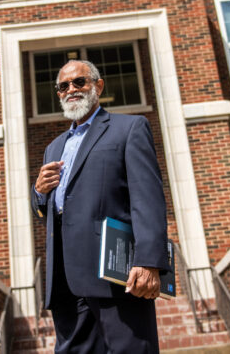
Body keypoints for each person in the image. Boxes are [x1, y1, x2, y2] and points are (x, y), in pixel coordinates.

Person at [31, 59, 169, 353]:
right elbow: (51, 214)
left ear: (98, 86)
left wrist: (148, 261)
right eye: (63, 86)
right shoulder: (52, 148)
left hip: (116, 277)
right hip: (65, 282)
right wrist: (40, 193)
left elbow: (148, 198)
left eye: (79, 82)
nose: (71, 89)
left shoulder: (128, 128)